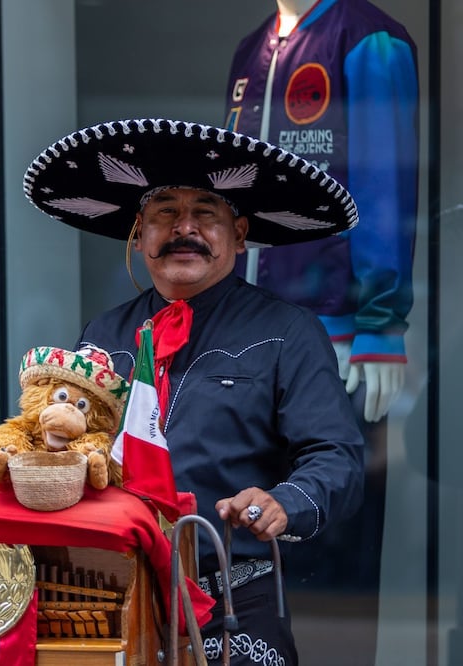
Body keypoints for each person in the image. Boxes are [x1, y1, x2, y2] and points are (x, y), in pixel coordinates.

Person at [23, 117, 365, 665]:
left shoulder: (289, 332)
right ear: (140, 235)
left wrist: (283, 502)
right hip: (107, 593)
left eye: (206, 212)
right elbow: (60, 445)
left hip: (235, 596)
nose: (185, 228)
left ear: (240, 232)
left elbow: (337, 459)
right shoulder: (102, 336)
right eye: (164, 214)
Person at [224, 2, 419, 659]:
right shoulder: (252, 50)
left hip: (336, 338)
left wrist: (380, 325)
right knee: (254, 538)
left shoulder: (368, 40)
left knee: (329, 535)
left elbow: (384, 181)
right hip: (250, 337)